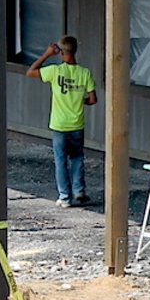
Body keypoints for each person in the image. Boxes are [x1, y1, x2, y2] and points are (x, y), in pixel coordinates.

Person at [27, 36, 97, 208]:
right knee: (77, 158)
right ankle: (79, 190)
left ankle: (65, 197)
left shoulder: (55, 71)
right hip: (77, 123)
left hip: (59, 124)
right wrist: (82, 102)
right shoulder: (85, 73)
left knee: (60, 160)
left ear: (61, 52)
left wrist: (46, 54)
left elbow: (31, 72)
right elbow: (93, 99)